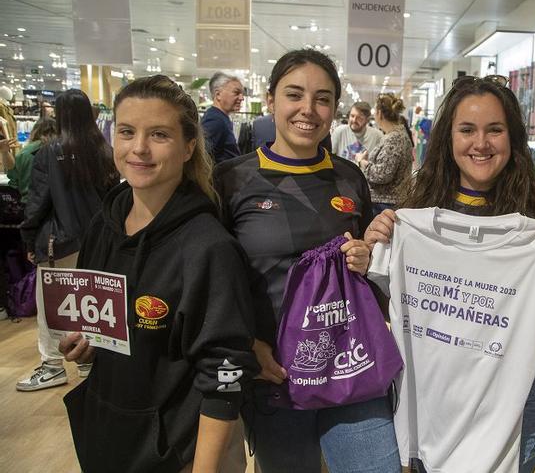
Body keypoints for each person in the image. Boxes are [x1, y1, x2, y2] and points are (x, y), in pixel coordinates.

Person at [363, 75, 535, 473]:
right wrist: (371, 255)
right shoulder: (411, 221)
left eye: (494, 130)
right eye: (467, 130)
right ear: (449, 138)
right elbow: (387, 309)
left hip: (515, 397)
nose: (480, 143)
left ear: (512, 138)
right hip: (437, 391)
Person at [57, 74, 258, 473]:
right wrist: (86, 342)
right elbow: (107, 326)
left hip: (182, 452)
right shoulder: (105, 223)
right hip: (111, 433)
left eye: (159, 135)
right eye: (127, 132)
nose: (139, 149)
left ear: (188, 147)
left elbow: (224, 374)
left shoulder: (208, 247)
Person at [214, 48, 400, 473]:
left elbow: (372, 274)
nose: (308, 109)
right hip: (275, 376)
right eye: (294, 94)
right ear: (272, 99)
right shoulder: (232, 180)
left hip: (353, 366)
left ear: (334, 108)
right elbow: (215, 280)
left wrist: (367, 256)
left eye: (322, 99)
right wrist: (248, 346)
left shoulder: (349, 176)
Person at [17, 89, 119, 392]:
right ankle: (88, 363)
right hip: (98, 241)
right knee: (92, 306)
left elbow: (38, 202)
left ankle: (52, 366)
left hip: (58, 244)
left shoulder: (50, 151)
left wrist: (28, 239)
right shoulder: (104, 149)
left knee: (52, 307)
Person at [354, 93, 413, 214]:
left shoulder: (394, 138)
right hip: (387, 203)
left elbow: (382, 174)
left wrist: (362, 162)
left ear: (379, 113)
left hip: (385, 204)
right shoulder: (396, 135)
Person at [8, 117, 56, 202]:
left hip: (29, 203)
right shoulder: (60, 150)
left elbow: (13, 182)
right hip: (55, 205)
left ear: (34, 131)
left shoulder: (23, 152)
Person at [202, 72, 244, 164]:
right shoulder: (215, 120)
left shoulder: (220, 117)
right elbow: (202, 157)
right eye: (236, 93)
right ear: (218, 95)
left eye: (242, 93)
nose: (241, 98)